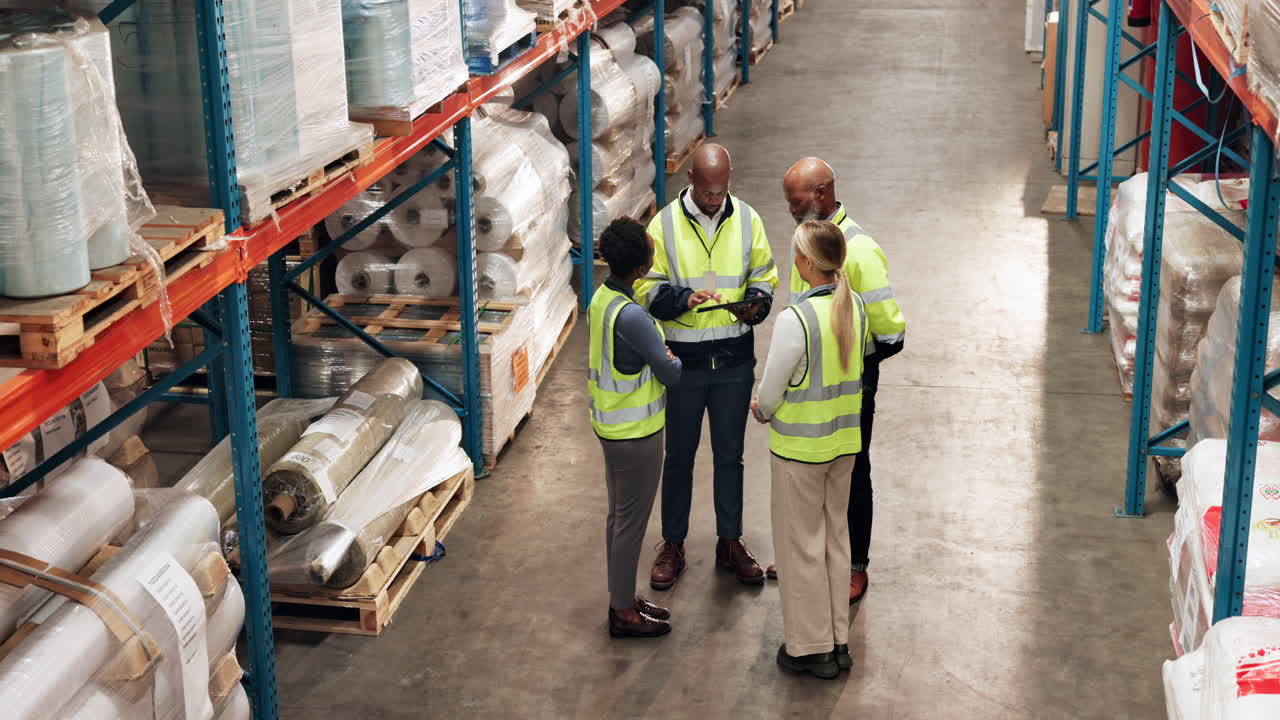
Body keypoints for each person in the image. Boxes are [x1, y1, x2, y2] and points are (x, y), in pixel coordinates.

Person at [637, 143, 778, 590]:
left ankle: (729, 540)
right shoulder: (663, 225)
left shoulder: (749, 219)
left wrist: (757, 303)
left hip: (734, 360)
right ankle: (673, 543)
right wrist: (683, 299)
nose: (715, 200)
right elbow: (645, 287)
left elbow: (765, 273)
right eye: (708, 192)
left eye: (722, 192)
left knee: (730, 456)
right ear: (691, 182)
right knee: (678, 456)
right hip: (685, 363)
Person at [767, 157, 907, 604]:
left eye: (796, 200)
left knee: (851, 471)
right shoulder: (806, 242)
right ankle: (805, 559)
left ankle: (854, 565)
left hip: (849, 388)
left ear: (822, 194)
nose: (789, 208)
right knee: (811, 478)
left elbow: (891, 334)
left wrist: (849, 368)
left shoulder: (860, 252)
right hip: (808, 385)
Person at [751, 220, 866, 678]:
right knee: (836, 541)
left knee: (800, 547)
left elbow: (773, 391)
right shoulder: (854, 305)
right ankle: (838, 640)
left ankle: (808, 648)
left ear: (804, 262)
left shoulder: (795, 320)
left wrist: (761, 409)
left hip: (800, 450)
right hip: (843, 446)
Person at [590, 217, 684, 638]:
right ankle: (623, 613)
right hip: (636, 434)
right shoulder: (633, 318)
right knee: (631, 522)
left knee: (618, 517)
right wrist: (669, 356)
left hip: (611, 427)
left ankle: (622, 597)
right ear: (642, 267)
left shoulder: (603, 298)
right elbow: (671, 373)